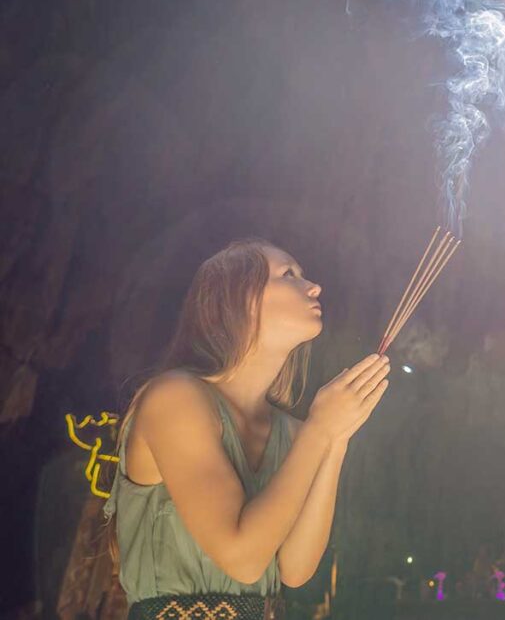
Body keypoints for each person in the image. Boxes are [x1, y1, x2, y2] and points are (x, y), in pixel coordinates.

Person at [102, 238, 391, 620]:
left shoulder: (291, 431)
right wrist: (321, 429)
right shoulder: (174, 398)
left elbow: (295, 569)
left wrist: (336, 439)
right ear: (239, 299)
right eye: (289, 274)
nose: (314, 286)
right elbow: (243, 557)